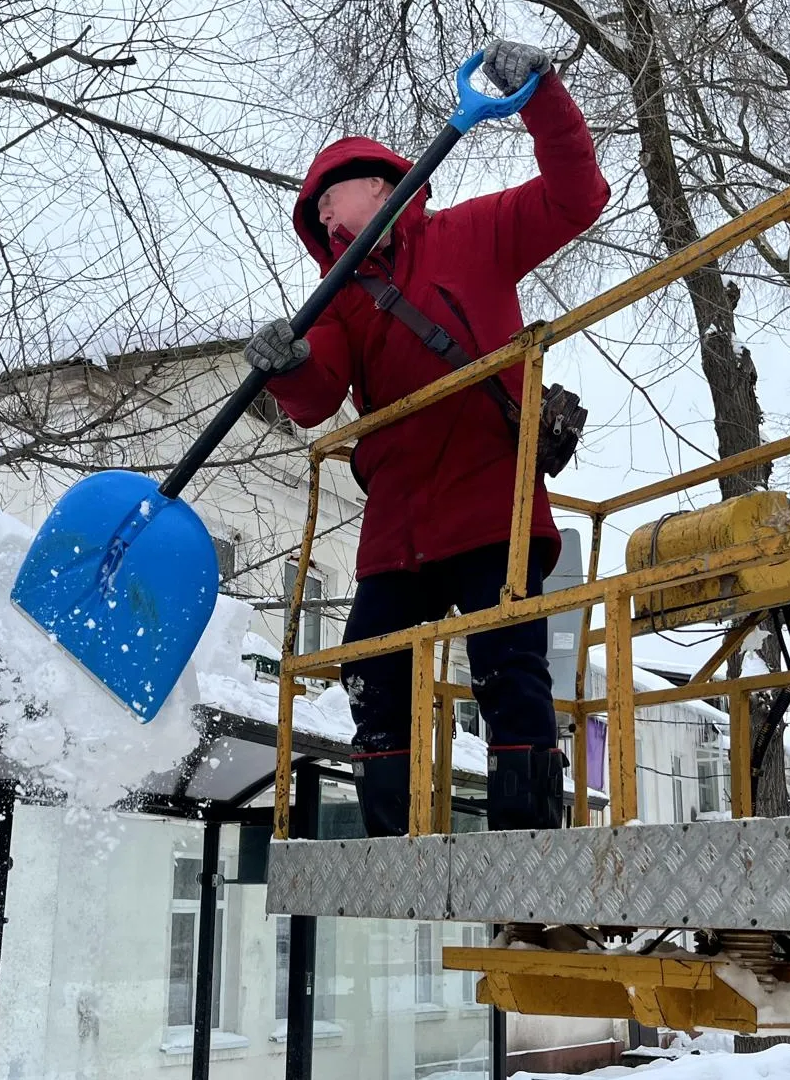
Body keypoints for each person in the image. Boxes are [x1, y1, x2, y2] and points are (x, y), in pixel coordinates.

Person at [244, 39, 609, 837]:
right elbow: (316, 398)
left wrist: (543, 95)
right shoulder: (336, 302)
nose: (332, 220)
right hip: (400, 516)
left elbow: (577, 196)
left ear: (388, 186)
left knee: (507, 666)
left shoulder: (474, 233)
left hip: (489, 496)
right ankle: (392, 833)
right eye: (321, 217)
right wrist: (287, 362)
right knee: (371, 665)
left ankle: (527, 837)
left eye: (339, 201)